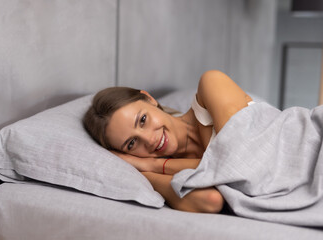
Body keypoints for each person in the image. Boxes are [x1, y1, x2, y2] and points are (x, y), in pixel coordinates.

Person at [83, 70, 253, 213]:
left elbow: (242, 165)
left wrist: (153, 165)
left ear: (149, 99)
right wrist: (146, 174)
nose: (149, 140)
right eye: (132, 143)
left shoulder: (211, 83)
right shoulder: (170, 172)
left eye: (142, 120)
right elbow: (210, 201)